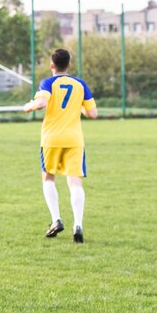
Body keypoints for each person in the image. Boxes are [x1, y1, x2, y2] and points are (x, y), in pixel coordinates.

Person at [23, 48, 98, 243]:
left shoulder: (48, 82)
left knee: (48, 178)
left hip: (52, 139)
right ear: (69, 65)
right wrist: (79, 105)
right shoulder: (80, 84)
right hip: (74, 140)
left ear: (51, 65)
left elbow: (40, 103)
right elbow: (93, 113)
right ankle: (78, 225)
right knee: (75, 183)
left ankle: (56, 219)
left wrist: (28, 106)